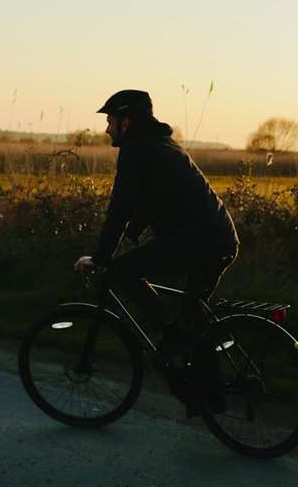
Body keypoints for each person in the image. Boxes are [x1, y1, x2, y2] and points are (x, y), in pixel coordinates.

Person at [73, 89, 239, 372]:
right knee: (192, 321)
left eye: (110, 121)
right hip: (219, 240)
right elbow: (155, 196)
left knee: (121, 272)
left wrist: (101, 258)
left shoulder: (137, 151)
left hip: (199, 242)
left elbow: (119, 209)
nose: (106, 129)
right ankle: (207, 392)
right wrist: (134, 229)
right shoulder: (161, 143)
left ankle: (173, 339)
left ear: (126, 122)